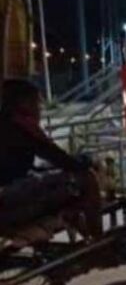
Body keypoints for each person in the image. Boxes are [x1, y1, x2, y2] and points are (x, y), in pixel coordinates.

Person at [0, 79, 102, 240]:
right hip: (9, 198)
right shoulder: (22, 127)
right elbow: (60, 158)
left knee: (55, 179)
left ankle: (73, 220)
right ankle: (98, 240)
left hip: (9, 193)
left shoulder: (8, 124)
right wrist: (86, 161)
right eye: (36, 102)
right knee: (87, 178)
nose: (39, 108)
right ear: (23, 103)